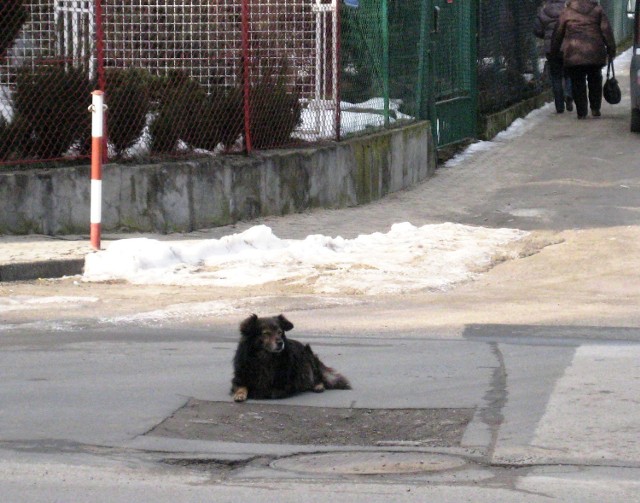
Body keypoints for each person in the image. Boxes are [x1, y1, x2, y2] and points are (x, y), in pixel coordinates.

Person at [551, 0, 616, 119]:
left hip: (574, 53)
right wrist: (611, 48)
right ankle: (595, 108)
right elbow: (606, 30)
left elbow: (558, 33)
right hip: (594, 51)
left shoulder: (567, 12)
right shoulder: (598, 10)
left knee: (577, 82)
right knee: (595, 79)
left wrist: (554, 51)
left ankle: (581, 111)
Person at [534, 0, 573, 114]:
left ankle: (559, 106)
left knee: (556, 76)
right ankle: (569, 93)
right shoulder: (568, 10)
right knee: (569, 72)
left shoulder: (544, 11)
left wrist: (546, 36)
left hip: (551, 49)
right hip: (567, 47)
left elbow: (537, 30)